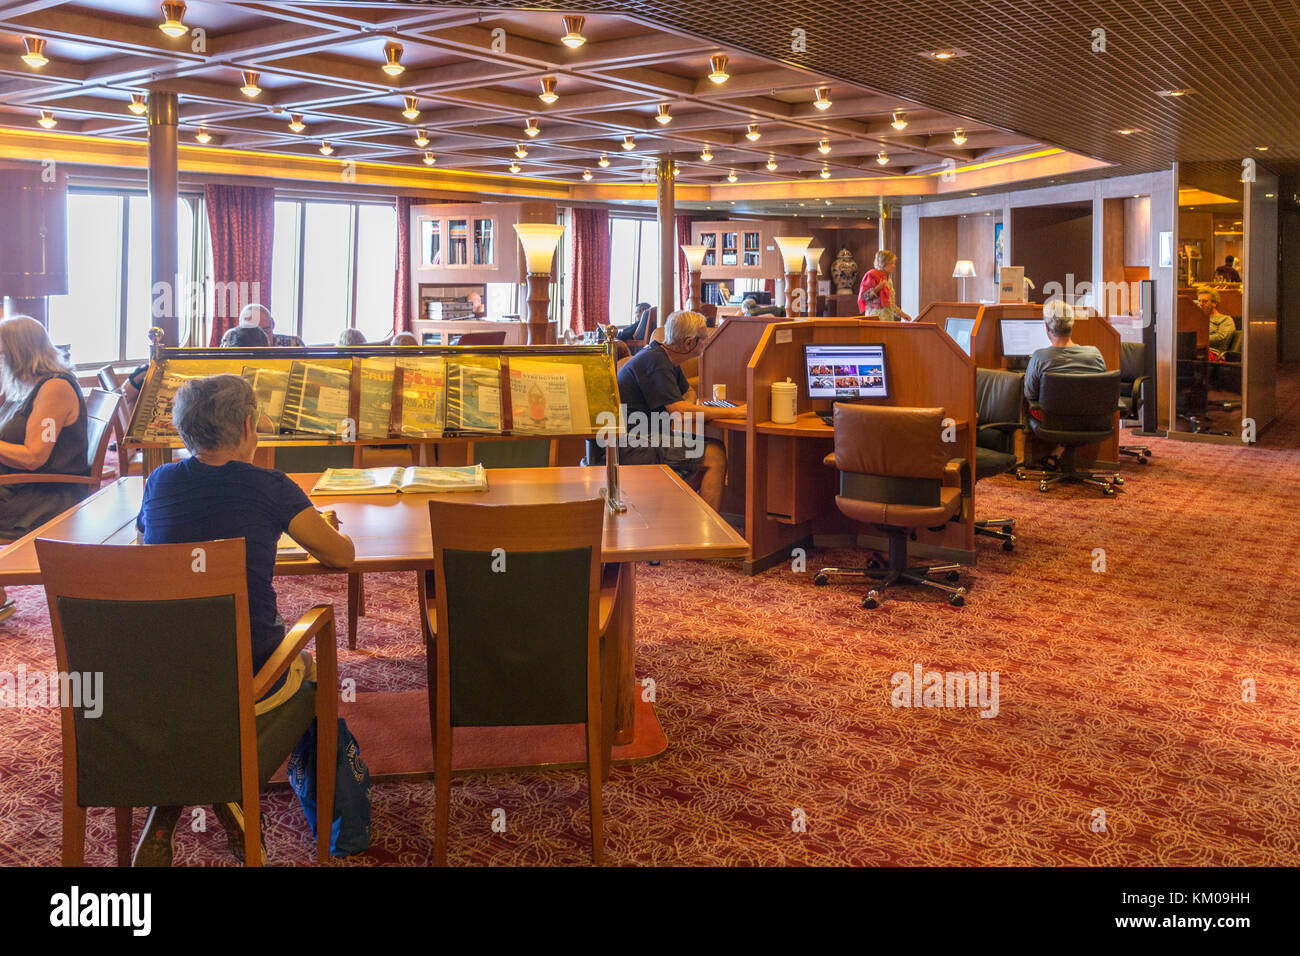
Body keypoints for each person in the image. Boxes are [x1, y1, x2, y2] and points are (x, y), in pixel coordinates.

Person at [133, 373, 354, 866]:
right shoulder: (271, 487)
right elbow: (341, 555)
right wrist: (313, 524)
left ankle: (170, 805)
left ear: (183, 431)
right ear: (250, 426)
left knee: (193, 685)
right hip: (250, 676)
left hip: (158, 675)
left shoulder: (161, 481)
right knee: (311, 672)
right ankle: (319, 815)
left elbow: (148, 541)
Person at [0, 316, 90, 623]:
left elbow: (34, 456)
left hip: (44, 493)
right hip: (19, 485)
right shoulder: (25, 386)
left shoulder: (54, 389)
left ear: (17, 352)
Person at [614, 310, 744, 512]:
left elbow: (687, 393)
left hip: (645, 436)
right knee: (715, 455)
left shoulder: (663, 356)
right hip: (632, 443)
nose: (706, 343)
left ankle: (684, 519)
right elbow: (680, 409)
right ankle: (709, 536)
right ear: (689, 343)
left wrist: (685, 410)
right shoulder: (656, 362)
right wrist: (735, 413)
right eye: (704, 339)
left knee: (703, 454)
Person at [1024, 300, 1107, 405]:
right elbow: (1103, 391)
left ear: (1047, 327)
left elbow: (1030, 394)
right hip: (1089, 418)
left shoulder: (1039, 358)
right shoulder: (1095, 355)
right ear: (1072, 325)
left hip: (1050, 419)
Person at [857, 250, 913, 321]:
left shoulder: (888, 279)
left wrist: (902, 315)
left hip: (887, 320)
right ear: (882, 263)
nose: (894, 266)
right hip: (874, 321)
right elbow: (863, 297)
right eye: (891, 263)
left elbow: (890, 304)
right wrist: (877, 288)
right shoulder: (871, 275)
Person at [219, 304, 305, 347]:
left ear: (272, 324)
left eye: (265, 330)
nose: (262, 337)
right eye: (251, 333)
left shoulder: (294, 344)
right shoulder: (233, 345)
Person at [1198, 287, 1237, 354]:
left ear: (1214, 303)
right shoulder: (1196, 319)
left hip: (1213, 353)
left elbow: (1221, 339)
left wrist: (1197, 339)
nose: (1201, 304)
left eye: (1204, 301)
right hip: (1196, 351)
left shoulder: (1225, 320)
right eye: (1199, 301)